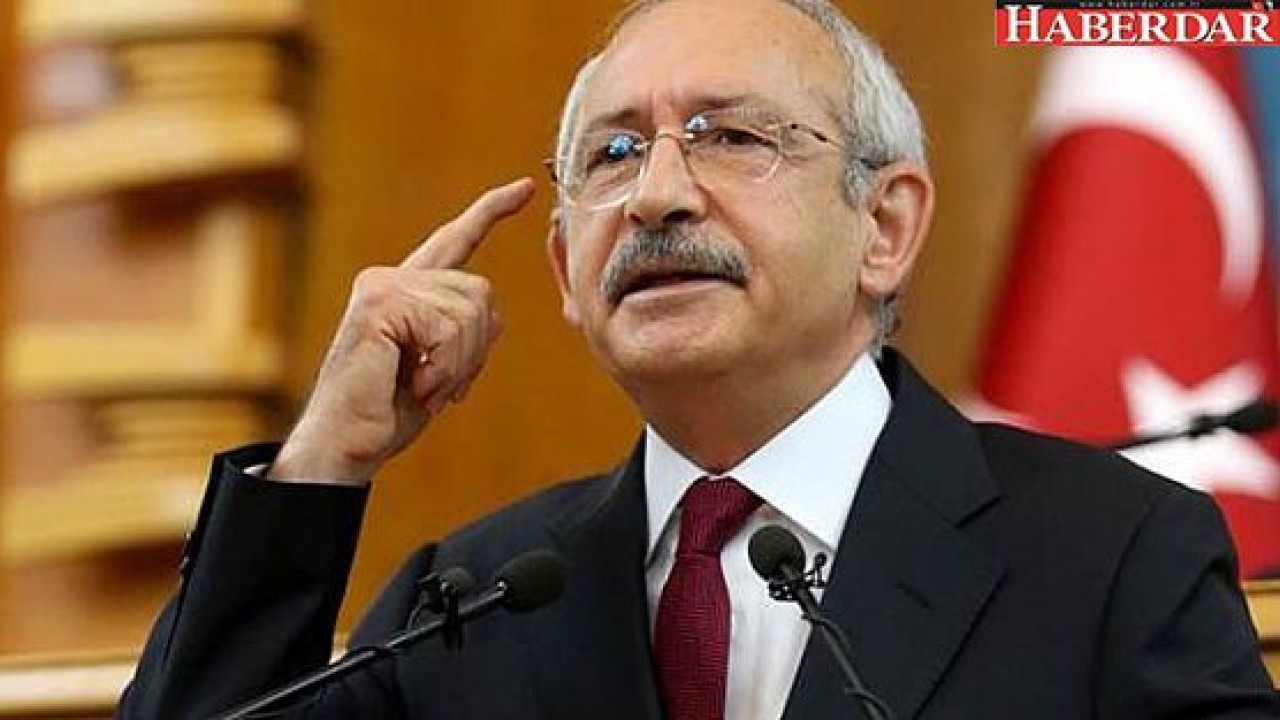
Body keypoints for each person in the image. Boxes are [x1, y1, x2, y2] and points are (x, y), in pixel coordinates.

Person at [119, 0, 1279, 717]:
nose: (657, 194)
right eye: (613, 154)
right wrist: (322, 462)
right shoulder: (470, 598)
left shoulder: (1113, 555)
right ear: (565, 266)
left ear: (883, 227)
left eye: (730, 136)